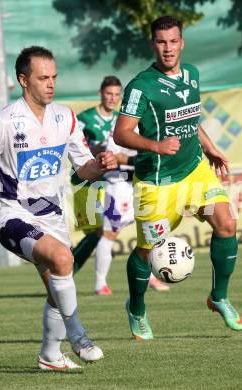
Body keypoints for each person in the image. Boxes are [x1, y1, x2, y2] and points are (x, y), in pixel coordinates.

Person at [0, 46, 117, 369]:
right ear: (23, 80)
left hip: (53, 218)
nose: (51, 84)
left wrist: (100, 165)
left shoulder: (65, 117)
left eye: (54, 77)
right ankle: (79, 336)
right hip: (13, 216)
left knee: (58, 287)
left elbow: (82, 167)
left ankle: (50, 355)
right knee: (62, 258)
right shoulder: (5, 121)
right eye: (43, 78)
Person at [113, 15, 242, 340]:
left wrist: (210, 149)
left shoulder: (193, 75)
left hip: (194, 173)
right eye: (161, 42)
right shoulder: (140, 86)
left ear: (182, 42)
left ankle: (218, 297)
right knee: (147, 251)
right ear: (152, 44)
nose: (168, 48)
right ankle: (137, 309)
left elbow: (191, 120)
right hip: (157, 184)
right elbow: (121, 133)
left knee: (226, 224)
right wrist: (155, 145)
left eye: (173, 41)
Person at [72, 76, 169, 294]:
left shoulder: (130, 122)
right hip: (110, 186)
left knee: (151, 230)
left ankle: (151, 276)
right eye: (109, 94)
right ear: (101, 93)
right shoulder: (100, 122)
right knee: (107, 233)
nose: (113, 99)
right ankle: (99, 283)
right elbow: (88, 151)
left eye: (118, 95)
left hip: (137, 185)